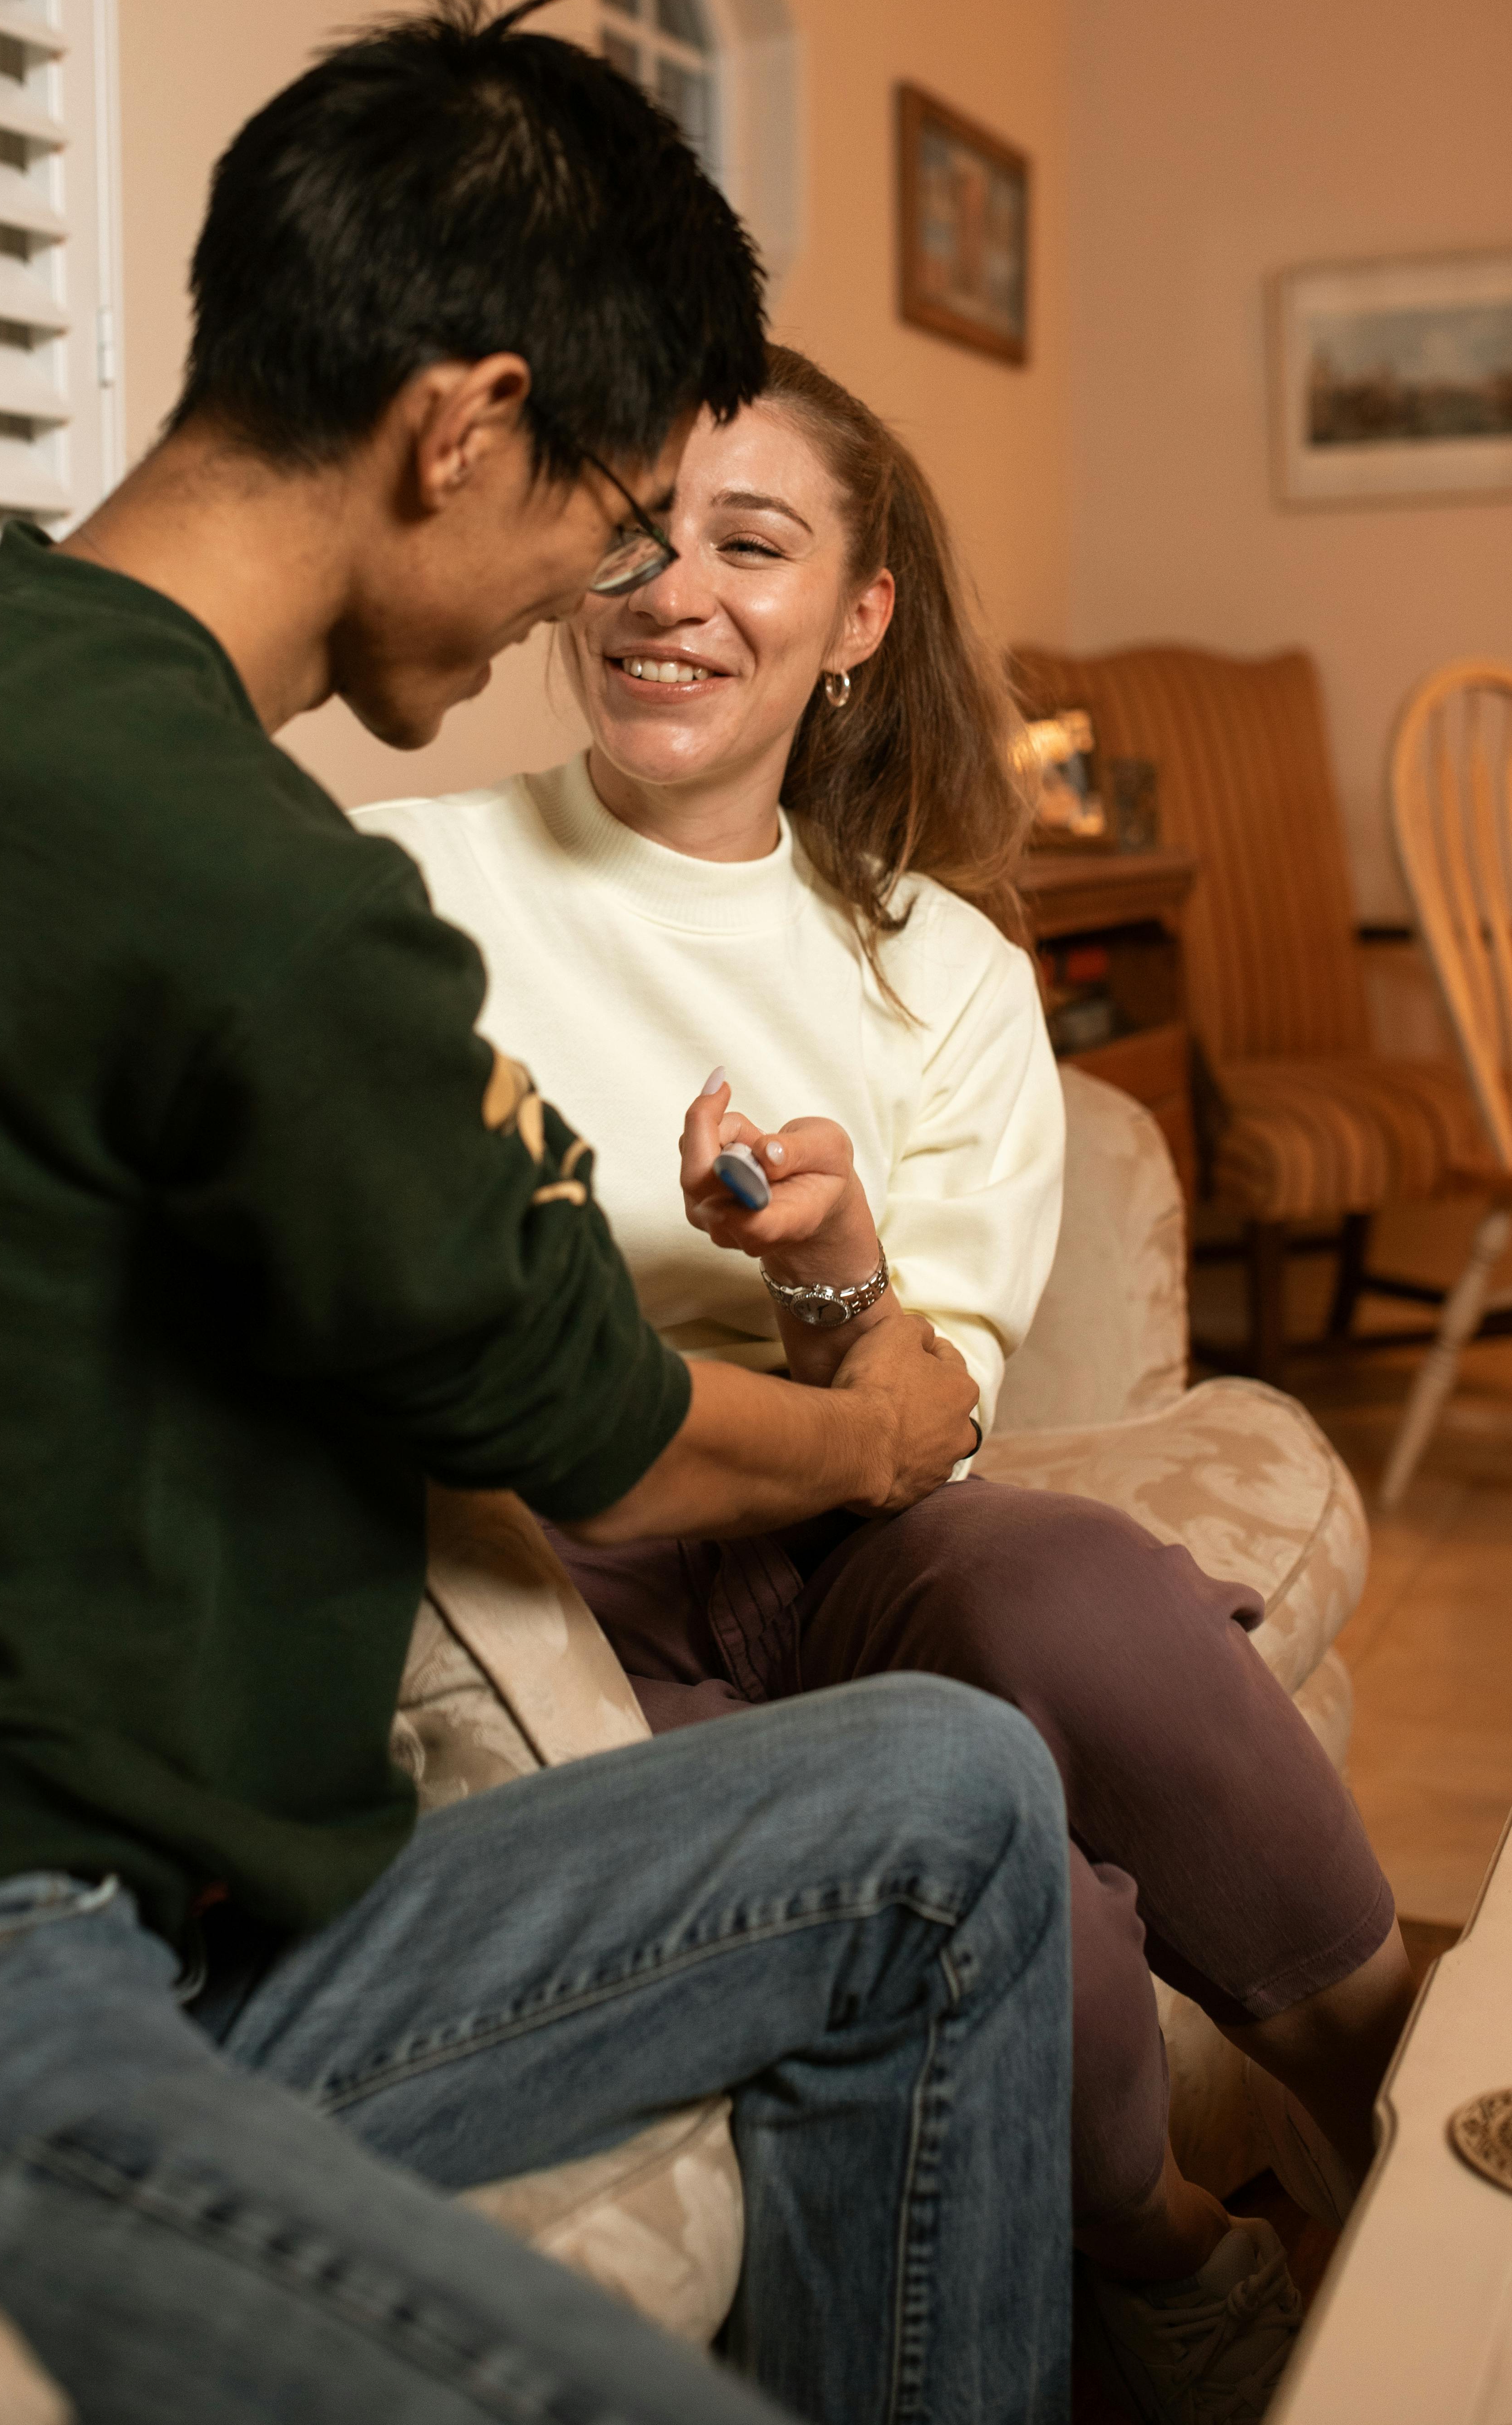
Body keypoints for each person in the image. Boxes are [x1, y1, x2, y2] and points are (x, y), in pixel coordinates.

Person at [0, 0, 1076, 2425]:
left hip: (185, 1915)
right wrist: (878, 1422)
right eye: (610, 512)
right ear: (461, 422)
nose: (603, 585)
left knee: (946, 1793)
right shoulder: (237, 868)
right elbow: (609, 1429)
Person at [355, 340, 1419, 2425]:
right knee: (985, 1820)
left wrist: (834, 1270)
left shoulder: (935, 963)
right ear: (571, 570)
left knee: (1068, 1588)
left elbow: (932, 1421)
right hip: (540, 1580)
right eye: (639, 536)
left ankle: (1389, 2075)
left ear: (858, 621)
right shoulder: (412, 887)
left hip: (851, 1517)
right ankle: (1176, 2252)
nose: (676, 592)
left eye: (751, 544)